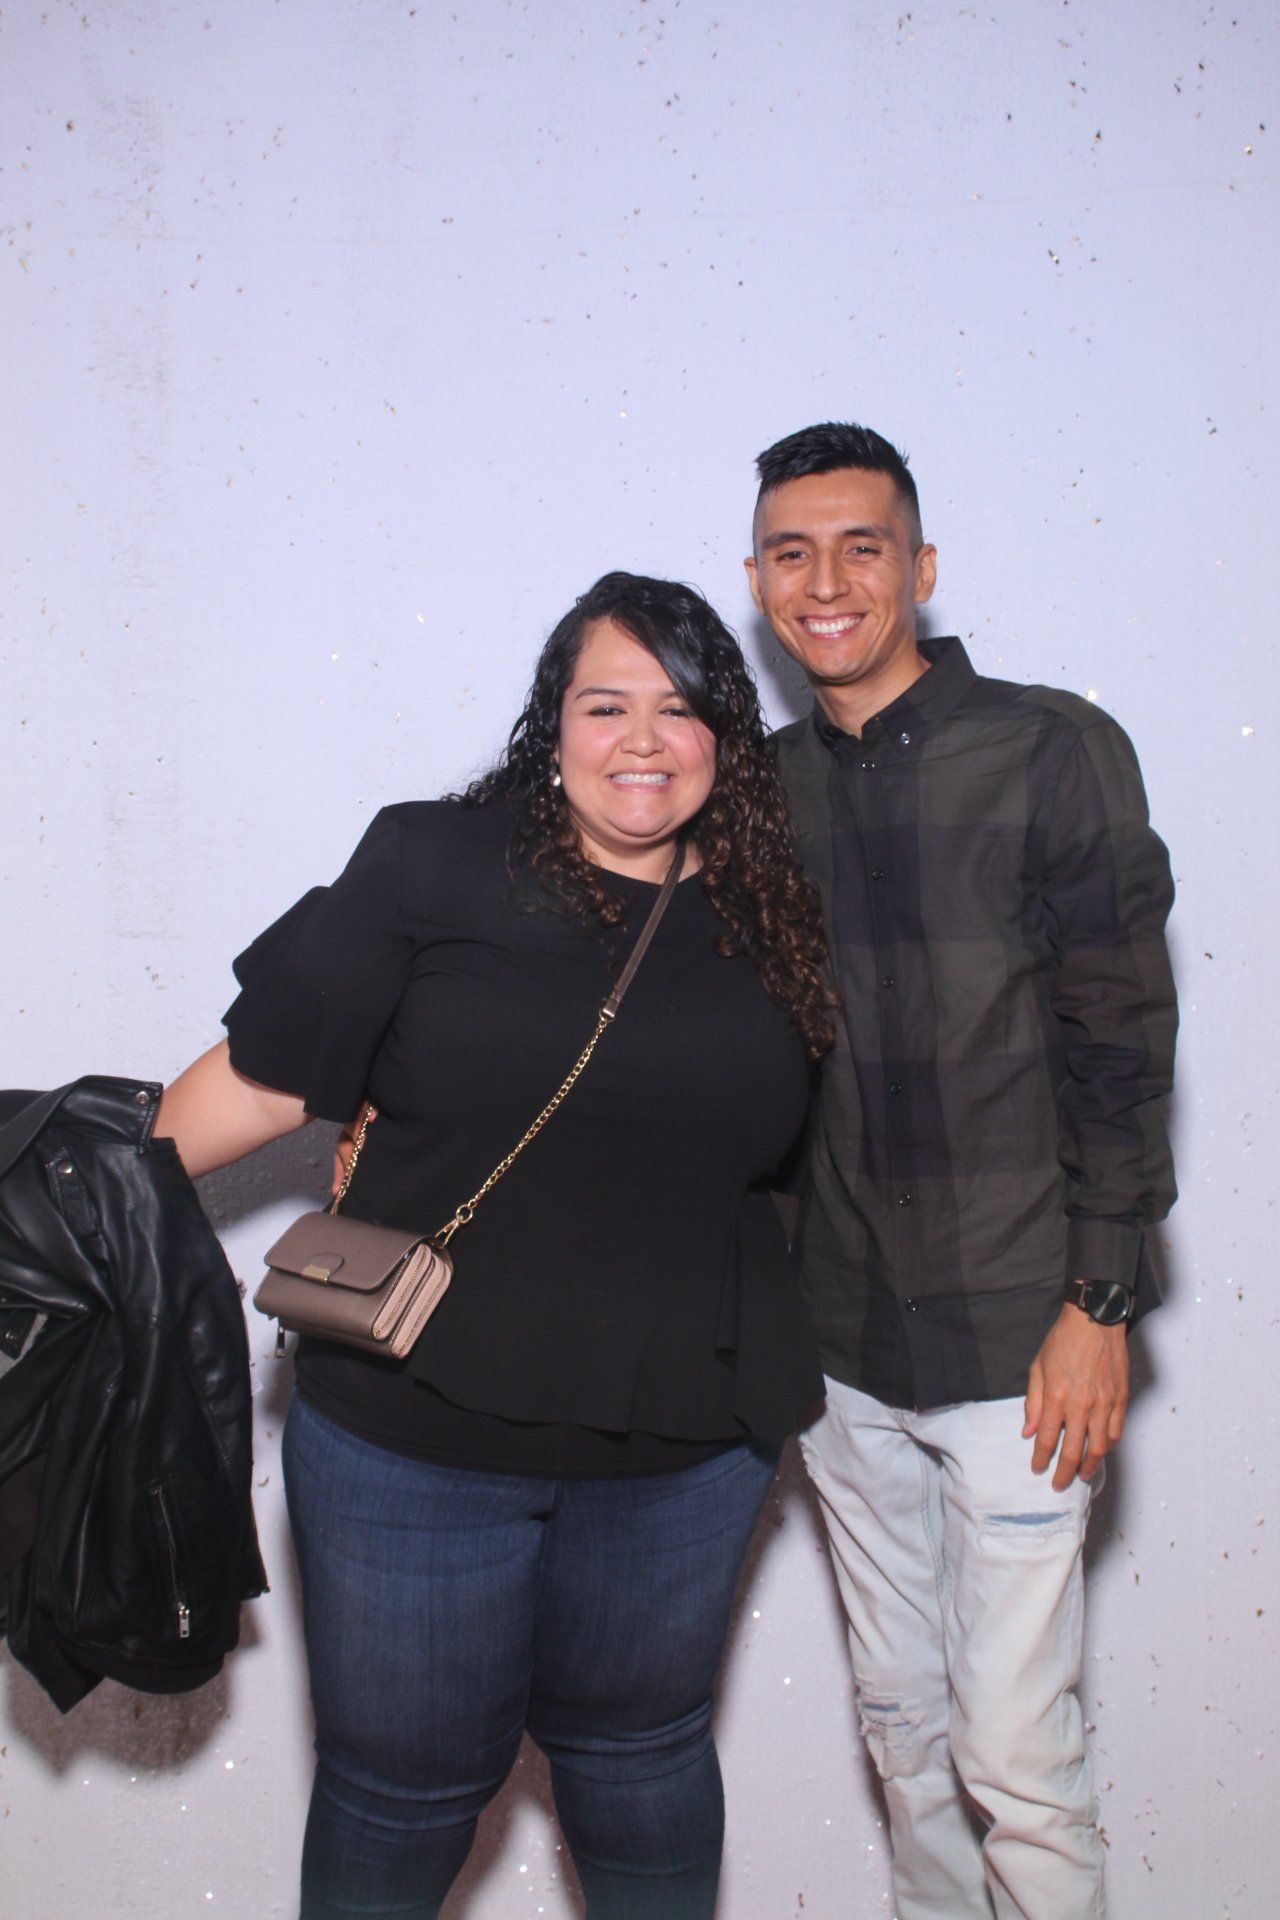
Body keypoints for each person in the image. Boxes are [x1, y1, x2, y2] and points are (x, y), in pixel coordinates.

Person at [155, 570, 832, 1920]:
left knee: (642, 1760)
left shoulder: (778, 908)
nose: (643, 740)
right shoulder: (434, 863)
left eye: (681, 708)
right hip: (414, 1437)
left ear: (725, 735)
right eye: (606, 705)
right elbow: (261, 1083)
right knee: (399, 1790)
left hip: (683, 1446)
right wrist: (72, 1188)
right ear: (552, 723)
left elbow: (813, 1154)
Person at [744, 423, 1177, 1920]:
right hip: (838, 1344)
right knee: (907, 1734)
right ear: (758, 582)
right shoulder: (758, 791)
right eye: (793, 553)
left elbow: (1122, 1037)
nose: (827, 582)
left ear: (919, 567)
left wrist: (1101, 1300)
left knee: (1017, 1758)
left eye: (861, 546)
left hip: (1022, 1338)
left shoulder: (1050, 750)